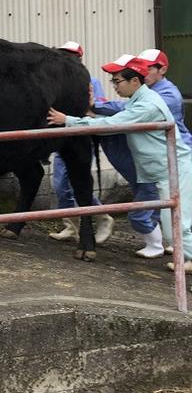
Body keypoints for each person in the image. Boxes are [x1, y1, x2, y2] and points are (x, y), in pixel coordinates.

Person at [47, 55, 192, 272]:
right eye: (113, 81)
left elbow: (111, 124)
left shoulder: (148, 105)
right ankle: (188, 259)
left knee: (176, 226)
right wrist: (90, 112)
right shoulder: (139, 100)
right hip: (163, 170)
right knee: (175, 223)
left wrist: (68, 120)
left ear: (135, 81)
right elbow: (115, 117)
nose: (114, 86)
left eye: (117, 81)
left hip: (174, 169)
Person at [92, 48, 192, 256]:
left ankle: (173, 250)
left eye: (148, 68)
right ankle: (173, 250)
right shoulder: (142, 95)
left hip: (172, 159)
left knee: (174, 216)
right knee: (170, 214)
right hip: (159, 160)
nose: (143, 72)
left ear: (162, 69)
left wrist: (94, 107)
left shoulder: (164, 96)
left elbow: (126, 113)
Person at [48, 42, 115, 244]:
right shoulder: (55, 80)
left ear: (79, 58)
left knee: (77, 182)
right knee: (60, 184)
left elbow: (97, 108)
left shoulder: (90, 81)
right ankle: (71, 225)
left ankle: (102, 216)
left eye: (72, 55)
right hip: (62, 136)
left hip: (81, 136)